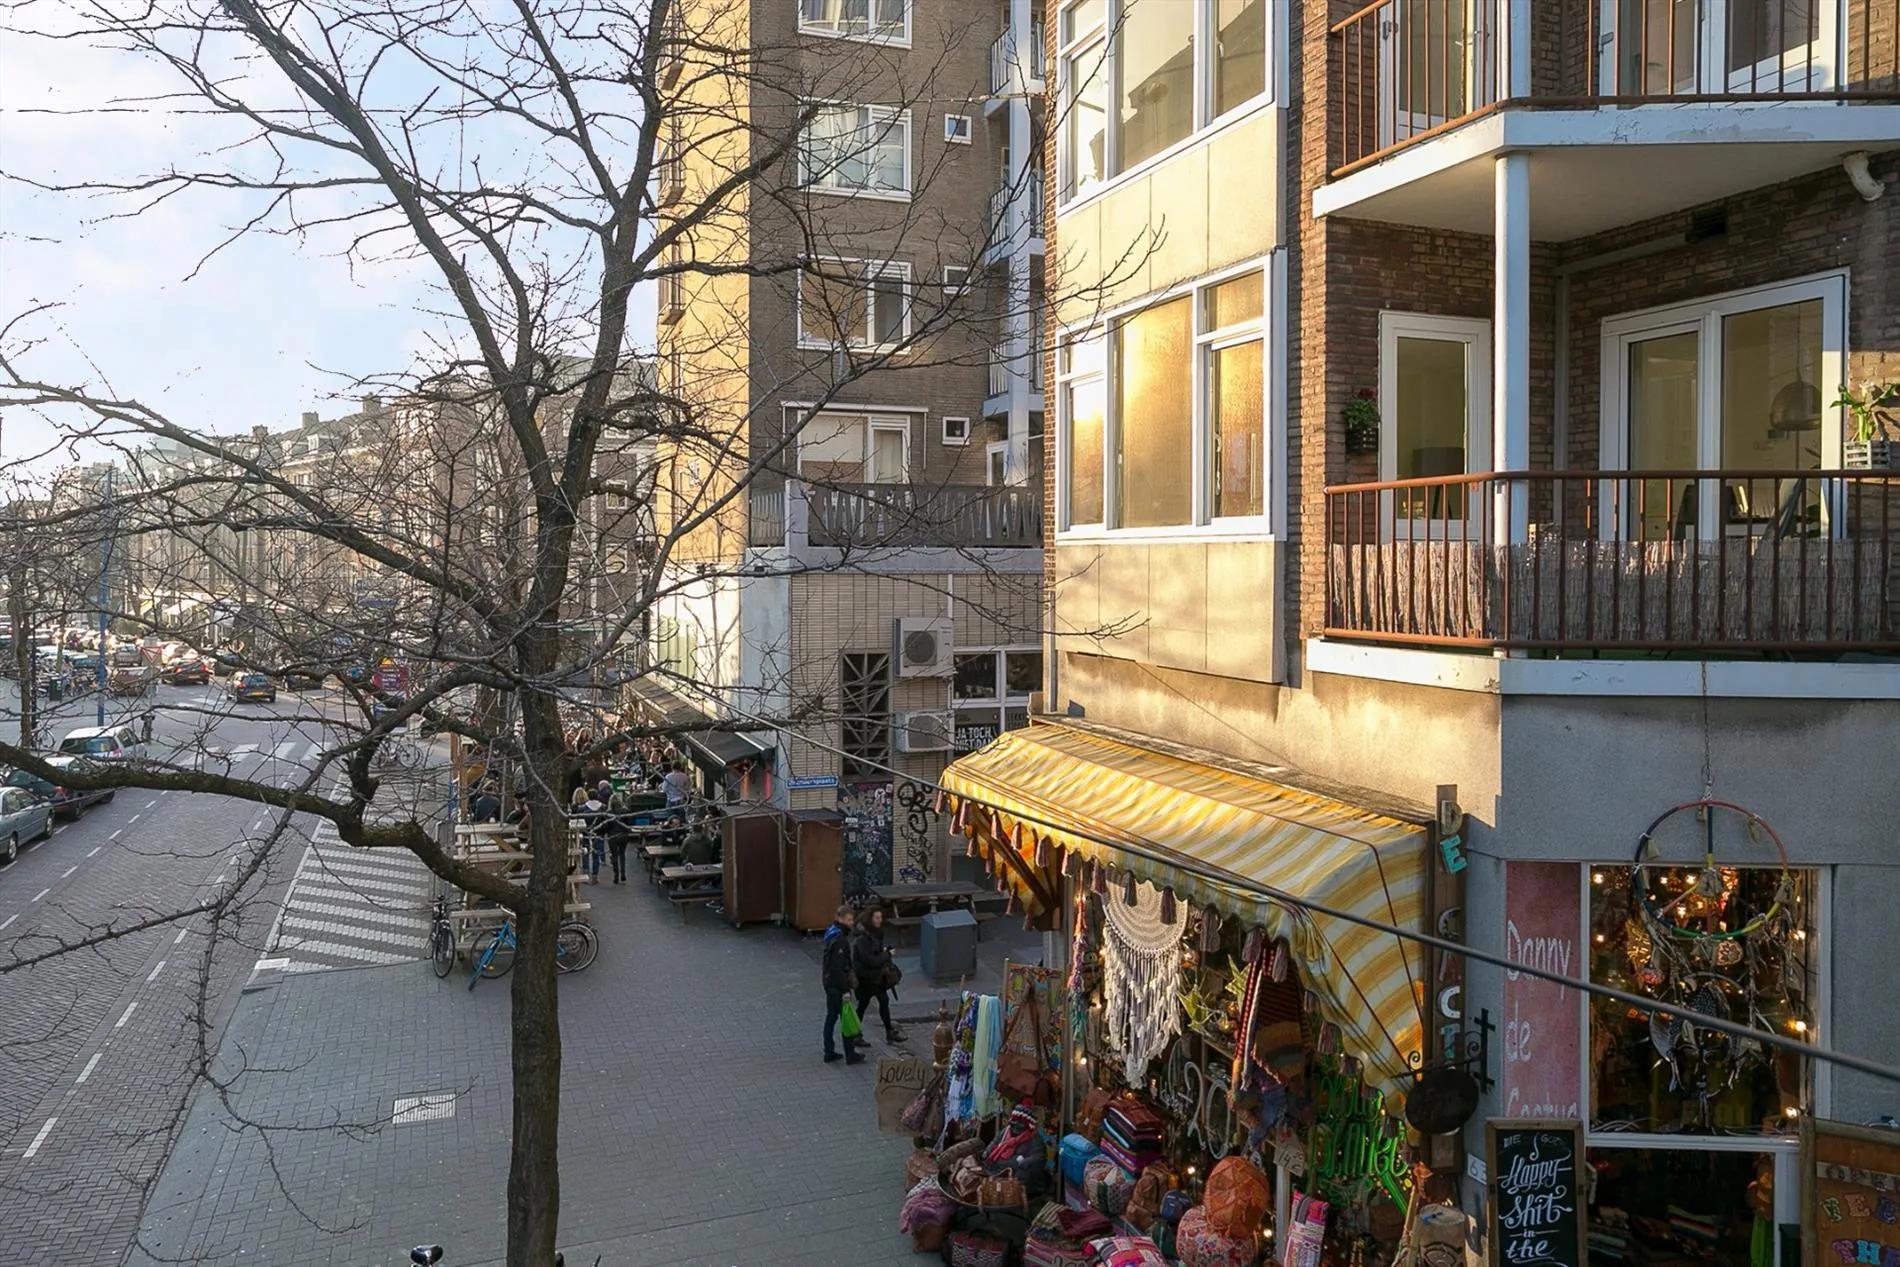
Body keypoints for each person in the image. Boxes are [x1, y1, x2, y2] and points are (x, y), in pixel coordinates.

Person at [850, 906, 907, 1046]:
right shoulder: (863, 938)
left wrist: (883, 951)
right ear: (870, 918)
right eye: (877, 917)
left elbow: (874, 953)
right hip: (866, 978)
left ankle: (888, 1032)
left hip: (874, 977)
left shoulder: (874, 933)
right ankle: (856, 1034)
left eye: (880, 917)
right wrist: (887, 954)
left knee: (882, 1001)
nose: (879, 920)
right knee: (865, 1005)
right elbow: (871, 960)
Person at [821, 905, 863, 1065]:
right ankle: (850, 1054)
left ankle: (829, 1051)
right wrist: (845, 989)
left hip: (829, 982)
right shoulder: (840, 940)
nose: (851, 923)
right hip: (837, 985)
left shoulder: (831, 933)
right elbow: (838, 967)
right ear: (840, 919)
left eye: (852, 920)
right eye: (849, 920)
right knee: (846, 1018)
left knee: (831, 1017)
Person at [570, 785, 605, 883]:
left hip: (586, 832)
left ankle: (585, 871)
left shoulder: (582, 808)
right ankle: (595, 876)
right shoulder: (603, 807)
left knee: (585, 852)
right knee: (596, 854)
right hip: (598, 833)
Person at [602, 785, 633, 884]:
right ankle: (623, 874)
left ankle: (616, 875)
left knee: (614, 856)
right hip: (623, 835)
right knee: (622, 855)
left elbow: (606, 827)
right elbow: (629, 823)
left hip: (613, 836)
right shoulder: (625, 811)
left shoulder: (608, 813)